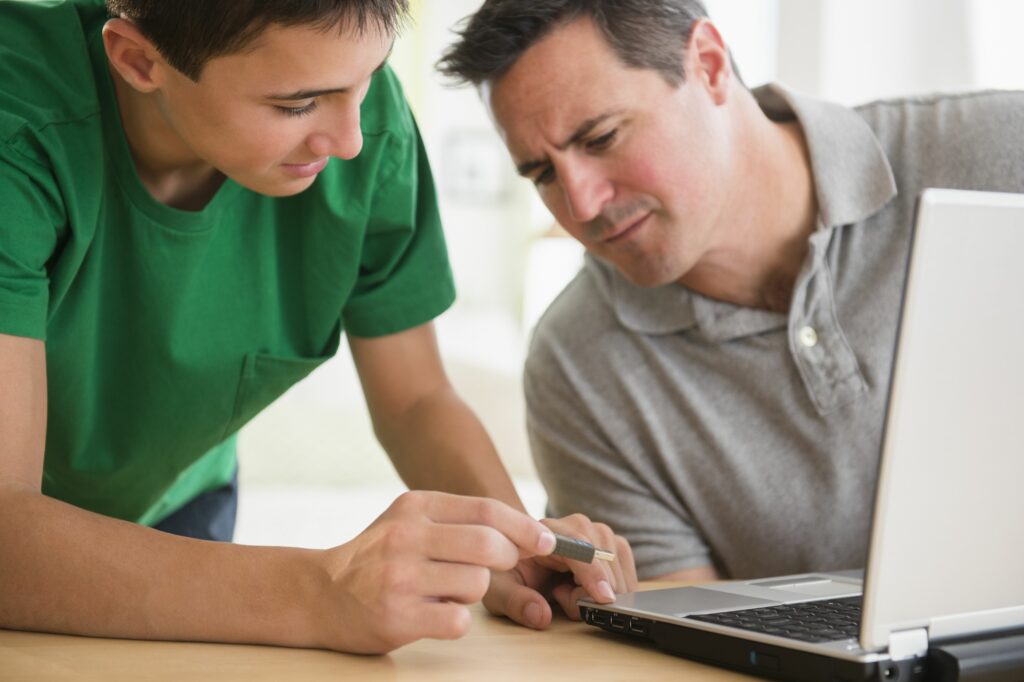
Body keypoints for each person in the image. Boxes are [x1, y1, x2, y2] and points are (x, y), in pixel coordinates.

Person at [0, 0, 638, 655]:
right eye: (297, 105)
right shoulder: (17, 123)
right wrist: (319, 589)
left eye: (368, 80)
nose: (352, 140)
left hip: (175, 506)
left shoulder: (362, 118)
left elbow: (416, 398)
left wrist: (509, 542)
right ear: (138, 60)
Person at [438, 0, 1024, 583]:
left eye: (602, 137)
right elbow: (691, 644)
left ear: (711, 65)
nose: (581, 204)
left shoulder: (1000, 153)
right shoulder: (578, 364)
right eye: (543, 174)